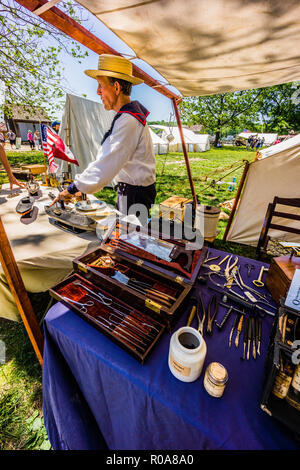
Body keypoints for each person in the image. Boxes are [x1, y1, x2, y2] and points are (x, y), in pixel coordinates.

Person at [50, 54, 156, 218]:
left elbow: (105, 164)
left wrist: (72, 189)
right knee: (127, 233)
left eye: (101, 85)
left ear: (117, 88)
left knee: (129, 238)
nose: (97, 91)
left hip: (134, 195)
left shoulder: (128, 120)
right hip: (134, 191)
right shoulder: (129, 117)